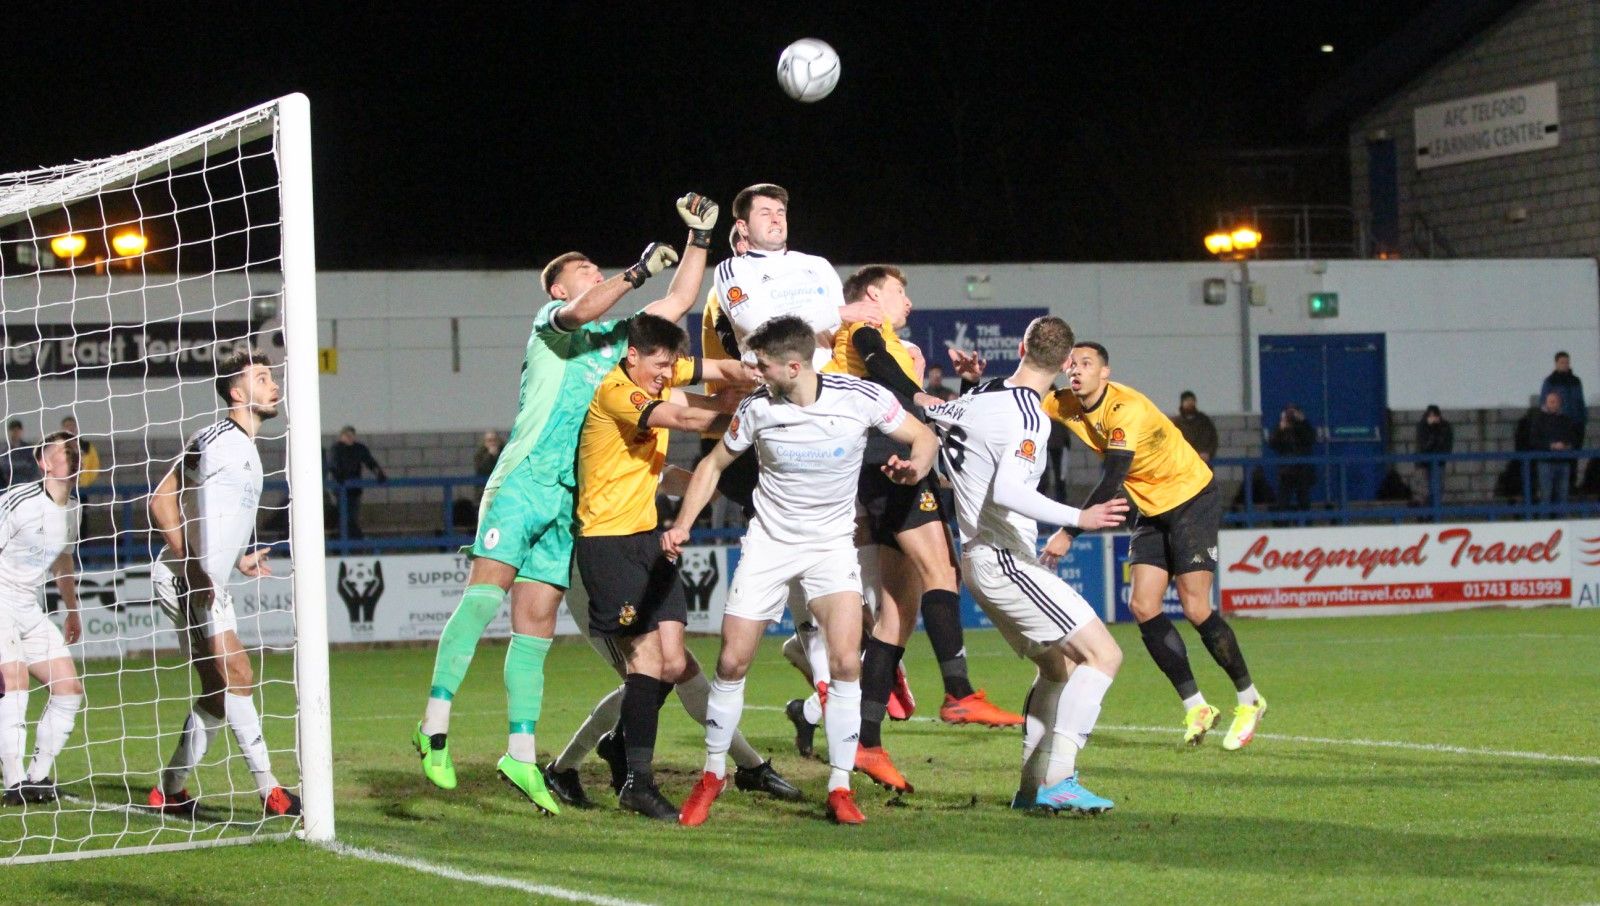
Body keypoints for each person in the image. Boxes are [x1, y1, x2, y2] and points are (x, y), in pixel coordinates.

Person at [411, 193, 716, 815]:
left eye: (597, 272)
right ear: (556, 288)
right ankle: (434, 725)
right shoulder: (552, 327)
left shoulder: (617, 347)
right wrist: (634, 272)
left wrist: (699, 239)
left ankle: (520, 757)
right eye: (583, 273)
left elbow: (678, 302)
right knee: (482, 598)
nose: (595, 277)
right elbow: (587, 306)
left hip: (567, 502)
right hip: (522, 481)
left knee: (536, 629)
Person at [663, 316, 938, 826]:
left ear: (794, 365)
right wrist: (682, 523)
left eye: (763, 365)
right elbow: (713, 466)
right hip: (769, 543)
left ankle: (839, 785)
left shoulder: (860, 397)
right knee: (732, 661)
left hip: (832, 546)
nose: (755, 372)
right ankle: (712, 772)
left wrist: (915, 467)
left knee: (846, 664)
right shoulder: (757, 408)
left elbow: (923, 436)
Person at [784, 265, 1022, 795]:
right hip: (889, 461)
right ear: (873, 294)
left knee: (896, 615)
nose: (908, 301)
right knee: (942, 572)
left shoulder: (890, 344)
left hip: (879, 463)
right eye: (900, 290)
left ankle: (867, 743)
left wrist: (953, 387)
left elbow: (921, 408)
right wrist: (918, 397)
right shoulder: (866, 332)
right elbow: (886, 378)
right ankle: (958, 691)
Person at [548, 313, 798, 819]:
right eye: (658, 366)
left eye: (671, 366)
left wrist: (753, 370)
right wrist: (755, 419)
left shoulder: (659, 374)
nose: (666, 374)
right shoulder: (618, 392)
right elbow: (685, 418)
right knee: (646, 666)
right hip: (606, 544)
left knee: (675, 662)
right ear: (633, 356)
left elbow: (716, 374)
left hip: (647, 541)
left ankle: (619, 753)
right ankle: (635, 780)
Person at [925, 317, 1129, 812]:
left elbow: (935, 426)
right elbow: (1010, 491)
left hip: (981, 557)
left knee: (1057, 669)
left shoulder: (976, 400)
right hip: (1002, 558)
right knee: (1104, 655)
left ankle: (1031, 789)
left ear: (1020, 347)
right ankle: (1060, 779)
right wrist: (1080, 515)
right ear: (1064, 364)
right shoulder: (1030, 417)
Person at [1039, 342, 1267, 750]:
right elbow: (1021, 398)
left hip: (1191, 497)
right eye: (1072, 364)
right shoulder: (1066, 402)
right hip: (1150, 505)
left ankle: (1249, 699)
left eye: (1086, 364)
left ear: (1105, 372)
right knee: (1144, 606)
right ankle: (1197, 706)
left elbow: (1112, 480)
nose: (1076, 370)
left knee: (1196, 606)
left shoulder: (1126, 409)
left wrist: (1068, 532)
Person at [147, 351, 300, 817]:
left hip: (213, 581)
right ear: (237, 393)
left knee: (219, 690)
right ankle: (271, 790)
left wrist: (238, 560)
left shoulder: (250, 453)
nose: (274, 385)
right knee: (239, 672)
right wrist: (190, 562)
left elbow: (210, 519)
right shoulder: (213, 438)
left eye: (272, 377)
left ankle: (169, 790)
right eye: (261, 378)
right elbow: (160, 501)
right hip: (186, 580)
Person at [0, 433, 85, 805]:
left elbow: (64, 558)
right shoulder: (18, 500)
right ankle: (13, 780)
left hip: (29, 607)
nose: (70, 456)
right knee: (14, 680)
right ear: (43, 462)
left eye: (74, 450)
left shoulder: (74, 508)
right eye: (61, 451)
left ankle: (37, 776)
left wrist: (72, 608)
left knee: (68, 688)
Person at [327, 426, 387, 539]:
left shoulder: (359, 449)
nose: (350, 438)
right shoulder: (336, 449)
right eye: (347, 436)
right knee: (345, 517)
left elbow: (370, 462)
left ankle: (353, 542)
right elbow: (333, 465)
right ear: (342, 436)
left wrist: (379, 473)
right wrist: (338, 476)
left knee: (351, 517)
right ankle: (350, 542)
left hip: (355, 490)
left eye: (352, 436)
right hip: (341, 490)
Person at [1529, 391, 1577, 506]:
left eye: (1555, 402)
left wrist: (1566, 445)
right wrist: (1551, 446)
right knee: (1545, 496)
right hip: (1546, 463)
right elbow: (1534, 441)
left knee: (1563, 496)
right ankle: (1544, 523)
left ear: (1559, 403)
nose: (1552, 404)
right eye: (1550, 402)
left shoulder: (1566, 420)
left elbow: (1572, 437)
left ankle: (1563, 522)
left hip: (1563, 462)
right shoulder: (1539, 420)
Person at [1268, 404, 1317, 510]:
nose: (1291, 415)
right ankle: (1283, 524)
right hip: (1286, 470)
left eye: (1293, 412)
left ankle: (1305, 524)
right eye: (1288, 412)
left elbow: (1311, 438)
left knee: (1303, 500)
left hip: (1302, 469)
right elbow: (1272, 443)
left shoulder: (1303, 425)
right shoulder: (1282, 427)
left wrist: (1302, 421)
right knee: (1283, 501)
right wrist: (1281, 429)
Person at [1540, 351, 1586, 450]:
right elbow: (1544, 404)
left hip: (1576, 424)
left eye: (1567, 362)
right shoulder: (1550, 382)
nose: (1565, 365)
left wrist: (1583, 421)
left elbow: (1581, 403)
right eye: (1562, 362)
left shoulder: (1576, 381)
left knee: (1575, 455)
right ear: (1556, 364)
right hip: (1558, 426)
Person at [1415, 405, 1453, 506]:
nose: (1433, 418)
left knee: (1437, 489)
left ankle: (1434, 514)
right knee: (1424, 491)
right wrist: (1431, 432)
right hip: (1423, 464)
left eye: (1435, 416)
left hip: (1439, 462)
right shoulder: (1422, 426)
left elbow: (1447, 444)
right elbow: (1423, 446)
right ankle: (1424, 515)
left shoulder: (1444, 426)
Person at [1172, 391, 1218, 463]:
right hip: (1183, 463)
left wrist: (1208, 453)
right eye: (1187, 401)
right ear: (1182, 403)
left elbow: (1213, 439)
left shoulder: (1204, 421)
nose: (1190, 403)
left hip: (1202, 463)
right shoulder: (1176, 423)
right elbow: (1171, 442)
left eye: (1192, 400)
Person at [59, 417, 102, 488]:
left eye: (72, 425)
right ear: (62, 429)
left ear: (76, 428)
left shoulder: (86, 446)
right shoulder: (55, 447)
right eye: (67, 426)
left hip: (82, 488)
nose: (70, 428)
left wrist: (87, 481)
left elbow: (95, 465)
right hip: (63, 488)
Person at [3, 422, 39, 489]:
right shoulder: (4, 449)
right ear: (9, 432)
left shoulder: (28, 448)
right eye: (13, 430)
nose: (15, 433)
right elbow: (5, 466)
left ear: (21, 431)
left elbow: (34, 466)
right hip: (8, 483)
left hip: (26, 482)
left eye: (17, 430)